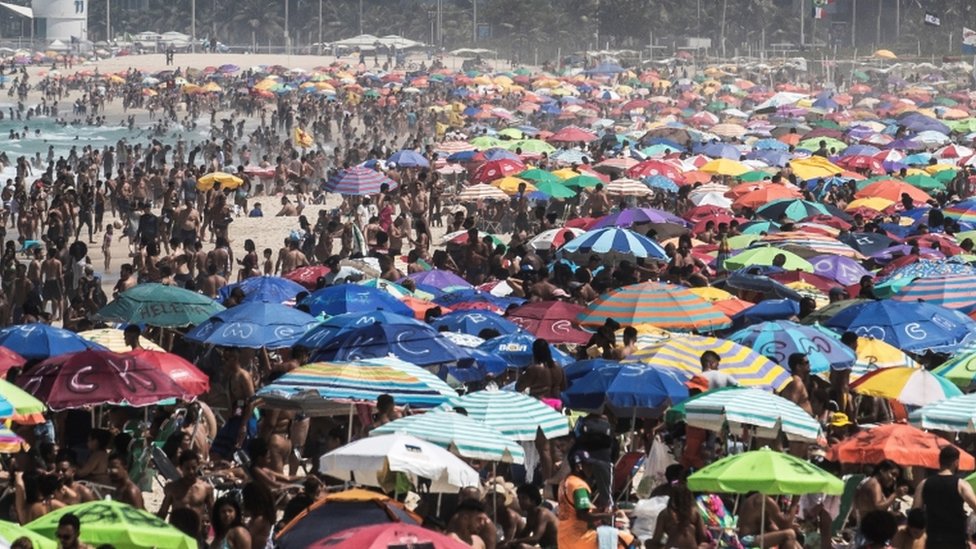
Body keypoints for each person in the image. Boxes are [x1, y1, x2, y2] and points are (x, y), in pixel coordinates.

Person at [912, 445, 976, 549]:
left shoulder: (924, 484)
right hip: (956, 541)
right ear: (956, 462)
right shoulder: (961, 485)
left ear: (940, 461)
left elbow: (915, 513)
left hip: (933, 540)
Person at [557, 450, 614, 549]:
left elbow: (573, 508)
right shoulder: (579, 486)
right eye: (588, 465)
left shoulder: (565, 481)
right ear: (579, 467)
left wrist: (597, 511)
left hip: (563, 536)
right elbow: (583, 515)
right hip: (577, 537)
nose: (591, 469)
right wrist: (607, 515)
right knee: (621, 538)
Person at [157, 451, 214, 529]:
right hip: (176, 531)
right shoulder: (173, 488)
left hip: (195, 532)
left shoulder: (206, 488)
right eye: (187, 468)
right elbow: (163, 512)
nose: (191, 471)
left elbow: (212, 513)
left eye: (194, 468)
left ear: (198, 466)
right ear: (181, 468)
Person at [647, 484, 708, 549]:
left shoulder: (665, 513)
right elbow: (703, 535)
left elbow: (657, 538)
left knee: (648, 543)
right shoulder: (694, 512)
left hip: (672, 547)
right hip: (692, 547)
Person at [503, 484, 557, 549]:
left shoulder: (542, 514)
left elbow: (535, 538)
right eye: (519, 498)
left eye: (524, 498)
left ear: (533, 500)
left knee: (522, 547)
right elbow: (525, 534)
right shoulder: (530, 515)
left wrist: (516, 541)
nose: (520, 502)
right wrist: (509, 542)